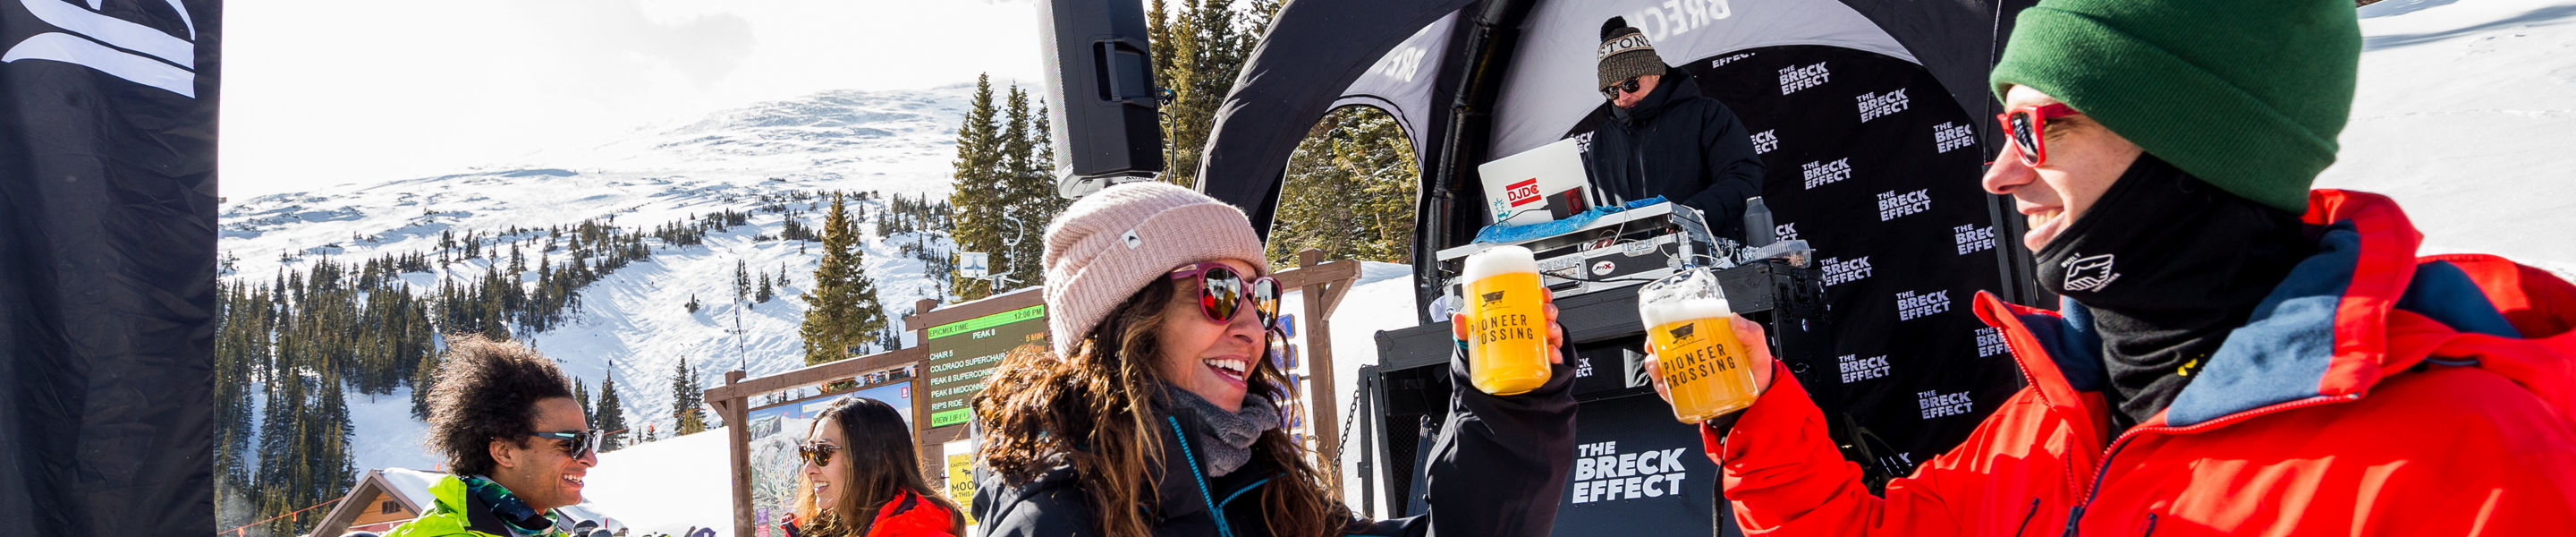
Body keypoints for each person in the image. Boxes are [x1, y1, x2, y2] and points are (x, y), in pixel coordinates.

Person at [1644, 0, 2576, 534]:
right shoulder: (2059, 420)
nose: (1999, 174)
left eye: (2035, 129)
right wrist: (1753, 409)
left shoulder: (2465, 454)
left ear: (2191, 140)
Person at [970, 183, 1580, 537]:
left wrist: (1508, 399)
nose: (1251, 329)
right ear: (1126, 321)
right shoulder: (1053, 518)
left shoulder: (1265, 492)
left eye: (1259, 297)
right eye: (1217, 292)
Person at [391, 336, 599, 537]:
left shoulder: (535, 529)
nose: (591, 460)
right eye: (571, 443)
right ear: (504, 452)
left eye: (590, 441)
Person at [1581, 16, 1764, 241]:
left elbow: (1744, 178)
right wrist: (1601, 237)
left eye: (1630, 84)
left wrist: (1692, 216)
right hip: (1631, 264)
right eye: (1612, 91)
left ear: (1655, 72)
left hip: (1707, 255)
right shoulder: (1600, 142)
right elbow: (1591, 211)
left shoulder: (1706, 114)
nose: (1623, 97)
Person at [782, 396, 962, 537]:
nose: (808, 468)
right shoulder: (820, 528)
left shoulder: (914, 530)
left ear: (880, 461)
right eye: (807, 452)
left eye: (823, 452)